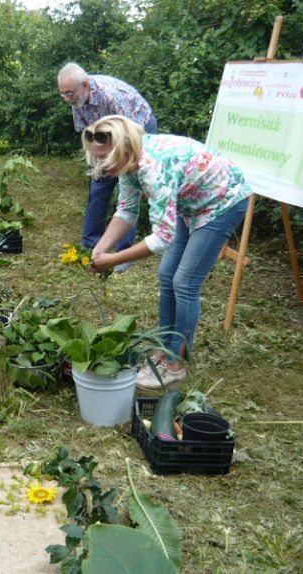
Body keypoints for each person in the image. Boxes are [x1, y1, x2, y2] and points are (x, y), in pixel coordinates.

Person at [83, 115, 251, 390]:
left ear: (122, 147)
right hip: (190, 204)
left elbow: (162, 237)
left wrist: (113, 260)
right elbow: (126, 211)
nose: (101, 166)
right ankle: (164, 348)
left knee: (184, 282)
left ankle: (176, 364)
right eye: (97, 158)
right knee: (166, 274)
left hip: (223, 201)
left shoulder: (152, 167)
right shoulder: (128, 162)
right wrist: (101, 247)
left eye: (104, 158)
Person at [57, 62, 158, 259]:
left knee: (128, 189)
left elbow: (132, 135)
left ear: (84, 85)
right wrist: (99, 161)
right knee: (98, 186)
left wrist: (121, 164)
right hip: (105, 137)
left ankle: (124, 251)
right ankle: (91, 245)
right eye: (63, 94)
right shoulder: (77, 100)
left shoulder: (111, 96)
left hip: (136, 131)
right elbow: (87, 133)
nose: (67, 99)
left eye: (70, 93)